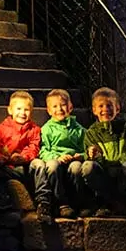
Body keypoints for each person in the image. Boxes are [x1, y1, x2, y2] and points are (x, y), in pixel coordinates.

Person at [81, 87, 126, 218]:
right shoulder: (92, 133)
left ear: (117, 108)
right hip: (105, 172)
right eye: (101, 106)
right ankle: (104, 203)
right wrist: (92, 154)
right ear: (94, 110)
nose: (105, 110)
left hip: (123, 172)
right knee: (87, 167)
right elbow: (89, 155)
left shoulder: (125, 127)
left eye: (109, 106)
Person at [0, 90, 53, 224]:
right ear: (10, 110)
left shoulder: (34, 129)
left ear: (31, 111)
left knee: (39, 164)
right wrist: (0, 158)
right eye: (18, 109)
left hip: (27, 167)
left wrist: (24, 157)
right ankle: (3, 201)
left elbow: (34, 147)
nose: (22, 113)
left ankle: (43, 202)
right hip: (9, 167)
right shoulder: (1, 129)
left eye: (26, 109)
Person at [38, 88, 88, 219]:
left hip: (74, 160)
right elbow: (43, 151)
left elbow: (86, 149)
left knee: (77, 168)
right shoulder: (46, 129)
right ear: (49, 110)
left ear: (70, 107)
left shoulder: (79, 129)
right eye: (54, 106)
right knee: (52, 166)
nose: (59, 109)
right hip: (56, 159)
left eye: (63, 105)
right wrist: (57, 158)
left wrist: (81, 155)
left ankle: (80, 203)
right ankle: (61, 203)